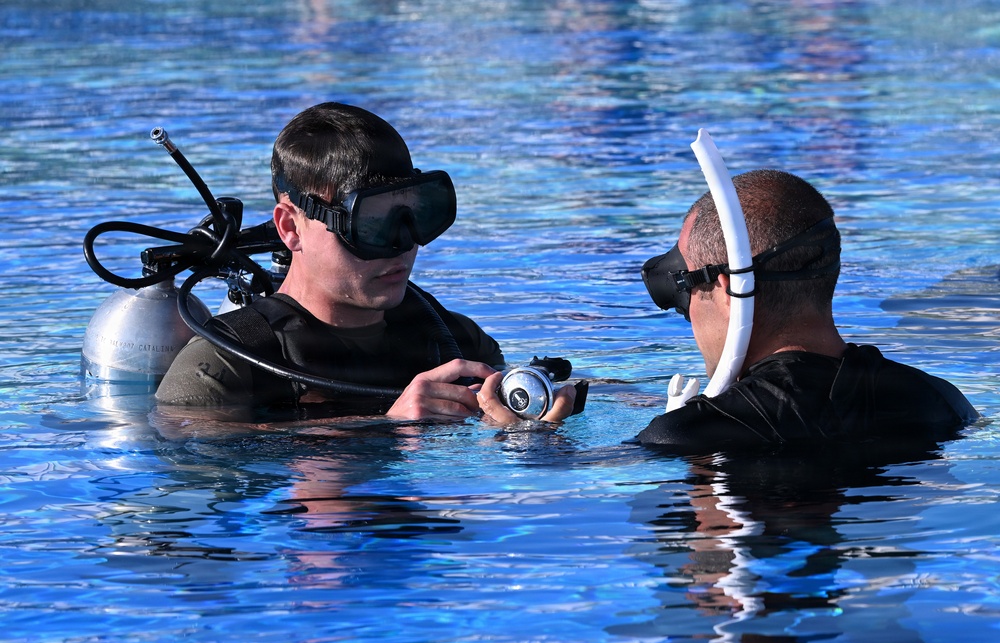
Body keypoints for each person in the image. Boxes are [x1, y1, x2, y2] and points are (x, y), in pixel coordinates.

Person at [155, 102, 576, 423]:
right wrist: (388, 427)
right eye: (371, 224)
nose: (403, 245)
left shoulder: (455, 341)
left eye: (412, 216)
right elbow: (195, 466)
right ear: (291, 227)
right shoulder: (221, 366)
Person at [637, 168, 979, 453]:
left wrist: (672, 431)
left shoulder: (692, 434)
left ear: (729, 290)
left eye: (687, 291)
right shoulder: (941, 402)